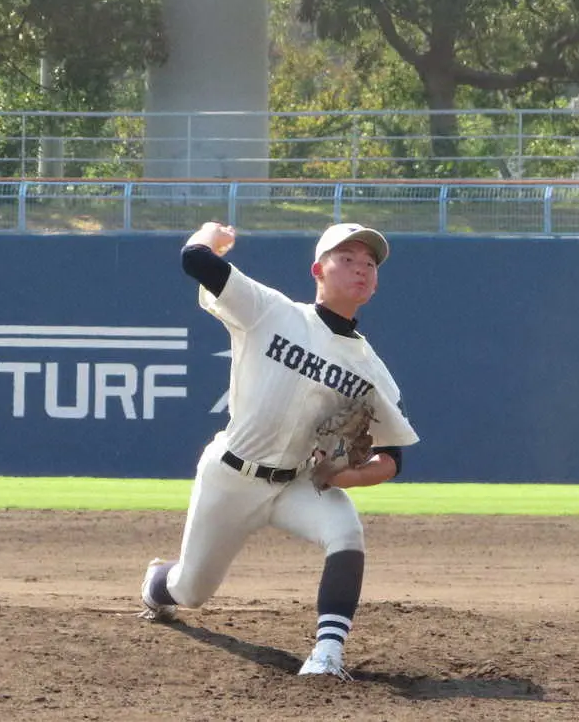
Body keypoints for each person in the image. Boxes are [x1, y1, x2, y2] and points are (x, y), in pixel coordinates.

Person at [140, 220, 419, 680]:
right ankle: (156, 583)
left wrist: (343, 476)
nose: (361, 269)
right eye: (346, 259)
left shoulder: (371, 370)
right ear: (318, 270)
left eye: (369, 264)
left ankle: (328, 654)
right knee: (190, 590)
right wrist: (211, 233)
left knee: (346, 531)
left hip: (297, 483)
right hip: (230, 476)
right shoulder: (271, 312)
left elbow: (393, 460)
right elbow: (195, 260)